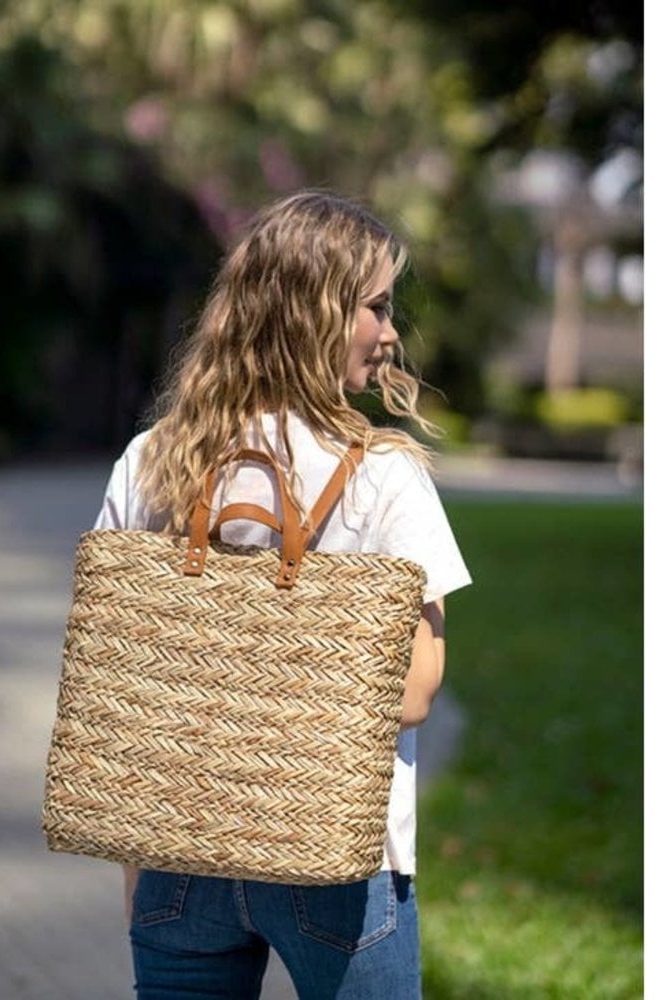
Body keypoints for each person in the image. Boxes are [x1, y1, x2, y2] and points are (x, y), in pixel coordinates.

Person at [93, 190, 471, 999]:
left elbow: (116, 680)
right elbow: (412, 692)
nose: (392, 331)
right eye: (375, 307)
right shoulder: (382, 474)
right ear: (313, 315)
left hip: (178, 852)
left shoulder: (151, 460)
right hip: (336, 853)